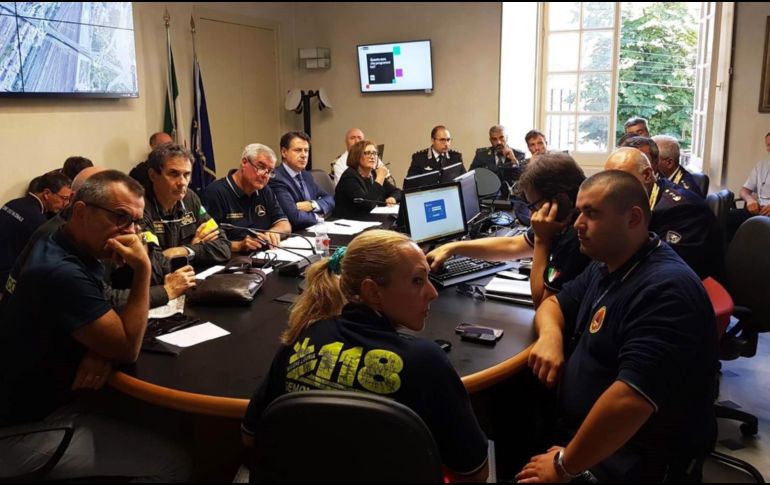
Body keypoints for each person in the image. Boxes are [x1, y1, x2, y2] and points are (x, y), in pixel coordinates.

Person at [516, 170, 717, 482]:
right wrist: (551, 338)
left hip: (632, 456)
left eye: (592, 213)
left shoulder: (666, 290)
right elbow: (553, 304)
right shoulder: (608, 263)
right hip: (586, 433)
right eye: (579, 211)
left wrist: (563, 465)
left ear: (633, 218)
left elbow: (629, 402)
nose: (578, 224)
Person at [241, 230, 489, 482]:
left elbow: (251, 436)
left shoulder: (301, 337)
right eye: (417, 281)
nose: (432, 292)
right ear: (372, 292)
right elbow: (474, 473)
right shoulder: (426, 361)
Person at [0, 170, 191, 481]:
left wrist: (100, 346)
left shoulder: (68, 240)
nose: (129, 232)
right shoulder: (60, 270)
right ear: (80, 211)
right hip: (22, 427)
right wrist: (142, 268)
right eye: (119, 217)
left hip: (56, 396)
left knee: (170, 420)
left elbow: (101, 317)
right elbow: (128, 347)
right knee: (172, 460)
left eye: (134, 222)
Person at [2, 167, 194, 311]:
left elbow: (157, 270)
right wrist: (165, 291)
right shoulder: (57, 241)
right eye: (119, 214)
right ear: (80, 206)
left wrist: (136, 264)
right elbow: (105, 301)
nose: (130, 230)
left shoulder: (118, 225)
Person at [427, 153, 590, 308]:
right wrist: (453, 248)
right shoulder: (563, 220)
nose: (532, 215)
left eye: (534, 206)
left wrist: (542, 240)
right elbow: (512, 245)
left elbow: (541, 303)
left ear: (560, 200)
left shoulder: (577, 237)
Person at [604, 147, 724, 281]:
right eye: (607, 180)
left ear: (647, 175)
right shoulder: (636, 199)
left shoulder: (683, 209)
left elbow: (663, 269)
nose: (610, 189)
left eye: (620, 179)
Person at [143, 143, 231, 265]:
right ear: (153, 175)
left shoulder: (190, 198)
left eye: (187, 174)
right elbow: (152, 264)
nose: (182, 182)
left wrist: (184, 250)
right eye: (173, 174)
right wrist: (197, 250)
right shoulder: (139, 206)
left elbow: (223, 246)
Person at [203, 143, 290, 253]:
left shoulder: (264, 190)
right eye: (261, 167)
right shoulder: (215, 192)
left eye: (270, 171)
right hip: (231, 261)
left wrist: (273, 232)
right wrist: (239, 245)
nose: (265, 175)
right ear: (244, 162)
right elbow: (207, 240)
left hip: (264, 255)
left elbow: (285, 224)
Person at [0, 170, 72, 283]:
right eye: (64, 198)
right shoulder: (38, 221)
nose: (66, 204)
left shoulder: (14, 203)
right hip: (6, 277)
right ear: (47, 193)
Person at [269, 131, 335, 231]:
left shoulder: (306, 175)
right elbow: (294, 217)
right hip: (294, 235)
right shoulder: (276, 178)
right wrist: (319, 217)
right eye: (298, 150)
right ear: (284, 152)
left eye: (306, 150)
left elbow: (330, 199)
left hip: (313, 230)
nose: (304, 155)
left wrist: (312, 205)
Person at [334, 139, 401, 219]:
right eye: (367, 153)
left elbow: (397, 191)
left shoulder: (373, 173)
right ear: (357, 156)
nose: (372, 157)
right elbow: (367, 205)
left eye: (374, 153)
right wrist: (380, 178)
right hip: (349, 223)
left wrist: (393, 198)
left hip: (368, 219)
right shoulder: (349, 176)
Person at [727, 131, 770, 240]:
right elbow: (744, 191)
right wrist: (750, 199)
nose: (769, 148)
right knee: (725, 217)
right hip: (758, 212)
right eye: (768, 145)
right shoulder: (761, 165)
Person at [470, 125, 526, 199]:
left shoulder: (518, 155)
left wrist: (513, 160)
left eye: (501, 138)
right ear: (490, 140)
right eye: (494, 139)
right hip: (488, 198)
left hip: (512, 199)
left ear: (507, 137)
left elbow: (522, 179)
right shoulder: (481, 155)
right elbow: (470, 176)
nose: (498, 142)